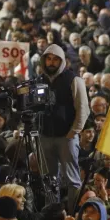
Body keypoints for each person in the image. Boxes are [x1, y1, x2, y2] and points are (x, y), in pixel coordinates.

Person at [38, 43, 90, 211]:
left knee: (72, 179)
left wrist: (73, 132)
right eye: (48, 59)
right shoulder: (39, 80)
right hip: (45, 136)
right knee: (49, 179)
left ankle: (73, 212)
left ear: (62, 61)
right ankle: (52, 213)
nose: (51, 62)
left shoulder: (73, 79)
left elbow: (83, 108)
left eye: (55, 59)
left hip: (66, 137)